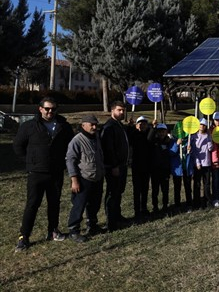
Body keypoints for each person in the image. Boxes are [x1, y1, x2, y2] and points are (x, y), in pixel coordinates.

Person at [13, 97, 74, 252]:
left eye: (53, 109)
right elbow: (18, 146)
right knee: (32, 205)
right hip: (36, 173)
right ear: (40, 109)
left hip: (55, 172)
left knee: (54, 203)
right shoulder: (29, 126)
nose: (50, 112)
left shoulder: (64, 126)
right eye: (47, 109)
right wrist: (30, 162)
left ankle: (53, 231)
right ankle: (24, 237)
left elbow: (70, 146)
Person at [65, 115, 104, 242]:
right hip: (83, 178)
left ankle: (92, 225)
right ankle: (73, 230)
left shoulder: (96, 138)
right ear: (83, 125)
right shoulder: (77, 140)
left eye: (95, 124)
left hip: (97, 177)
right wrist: (74, 180)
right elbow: (70, 161)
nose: (94, 127)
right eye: (91, 124)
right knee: (79, 205)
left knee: (95, 203)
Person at [101, 101, 130, 231]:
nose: (122, 112)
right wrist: (114, 166)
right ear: (112, 111)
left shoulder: (119, 125)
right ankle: (110, 221)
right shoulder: (109, 126)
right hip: (114, 166)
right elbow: (108, 149)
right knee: (112, 193)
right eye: (119, 110)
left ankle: (117, 216)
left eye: (123, 110)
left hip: (122, 165)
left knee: (119, 191)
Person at [129, 116, 153, 222]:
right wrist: (130, 128)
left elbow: (150, 139)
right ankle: (137, 210)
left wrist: (153, 127)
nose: (142, 125)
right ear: (136, 125)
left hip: (146, 166)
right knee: (137, 190)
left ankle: (144, 208)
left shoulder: (148, 134)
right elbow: (129, 138)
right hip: (136, 166)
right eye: (140, 123)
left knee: (144, 189)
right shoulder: (134, 134)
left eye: (144, 124)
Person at [150, 123, 175, 215]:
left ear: (166, 132)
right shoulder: (153, 141)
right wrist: (153, 128)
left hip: (165, 170)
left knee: (165, 189)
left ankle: (165, 205)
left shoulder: (169, 142)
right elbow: (149, 138)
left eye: (163, 131)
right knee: (155, 189)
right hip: (155, 170)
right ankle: (155, 206)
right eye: (159, 131)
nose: (161, 133)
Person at [189, 118, 213, 209]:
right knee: (197, 183)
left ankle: (207, 201)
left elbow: (210, 148)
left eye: (203, 125)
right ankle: (196, 202)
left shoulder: (208, 136)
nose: (201, 126)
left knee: (206, 183)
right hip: (198, 164)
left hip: (206, 163)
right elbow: (194, 151)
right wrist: (197, 162)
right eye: (200, 125)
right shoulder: (194, 136)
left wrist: (209, 138)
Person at [173, 132, 193, 213]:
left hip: (187, 168)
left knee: (188, 187)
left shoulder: (189, 141)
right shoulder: (173, 141)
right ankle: (177, 205)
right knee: (177, 188)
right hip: (178, 169)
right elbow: (171, 152)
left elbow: (194, 153)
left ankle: (189, 205)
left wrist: (190, 150)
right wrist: (177, 144)